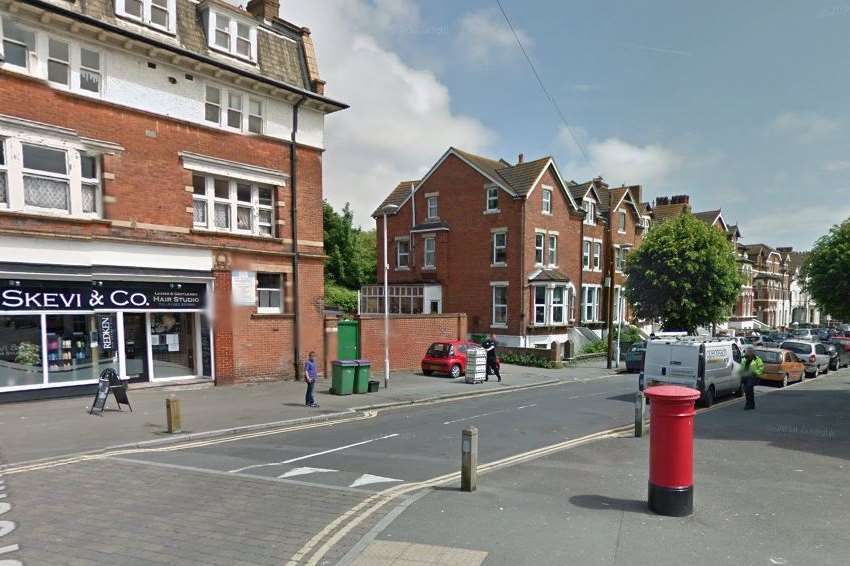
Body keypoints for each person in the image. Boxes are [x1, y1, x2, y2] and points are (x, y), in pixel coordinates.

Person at [740, 344, 764, 410]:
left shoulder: (757, 359)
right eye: (748, 351)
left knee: (749, 389)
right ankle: (751, 404)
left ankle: (749, 405)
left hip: (752, 376)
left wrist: (755, 371)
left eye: (750, 351)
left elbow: (761, 368)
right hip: (745, 376)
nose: (749, 352)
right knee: (747, 391)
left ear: (753, 352)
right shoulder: (743, 358)